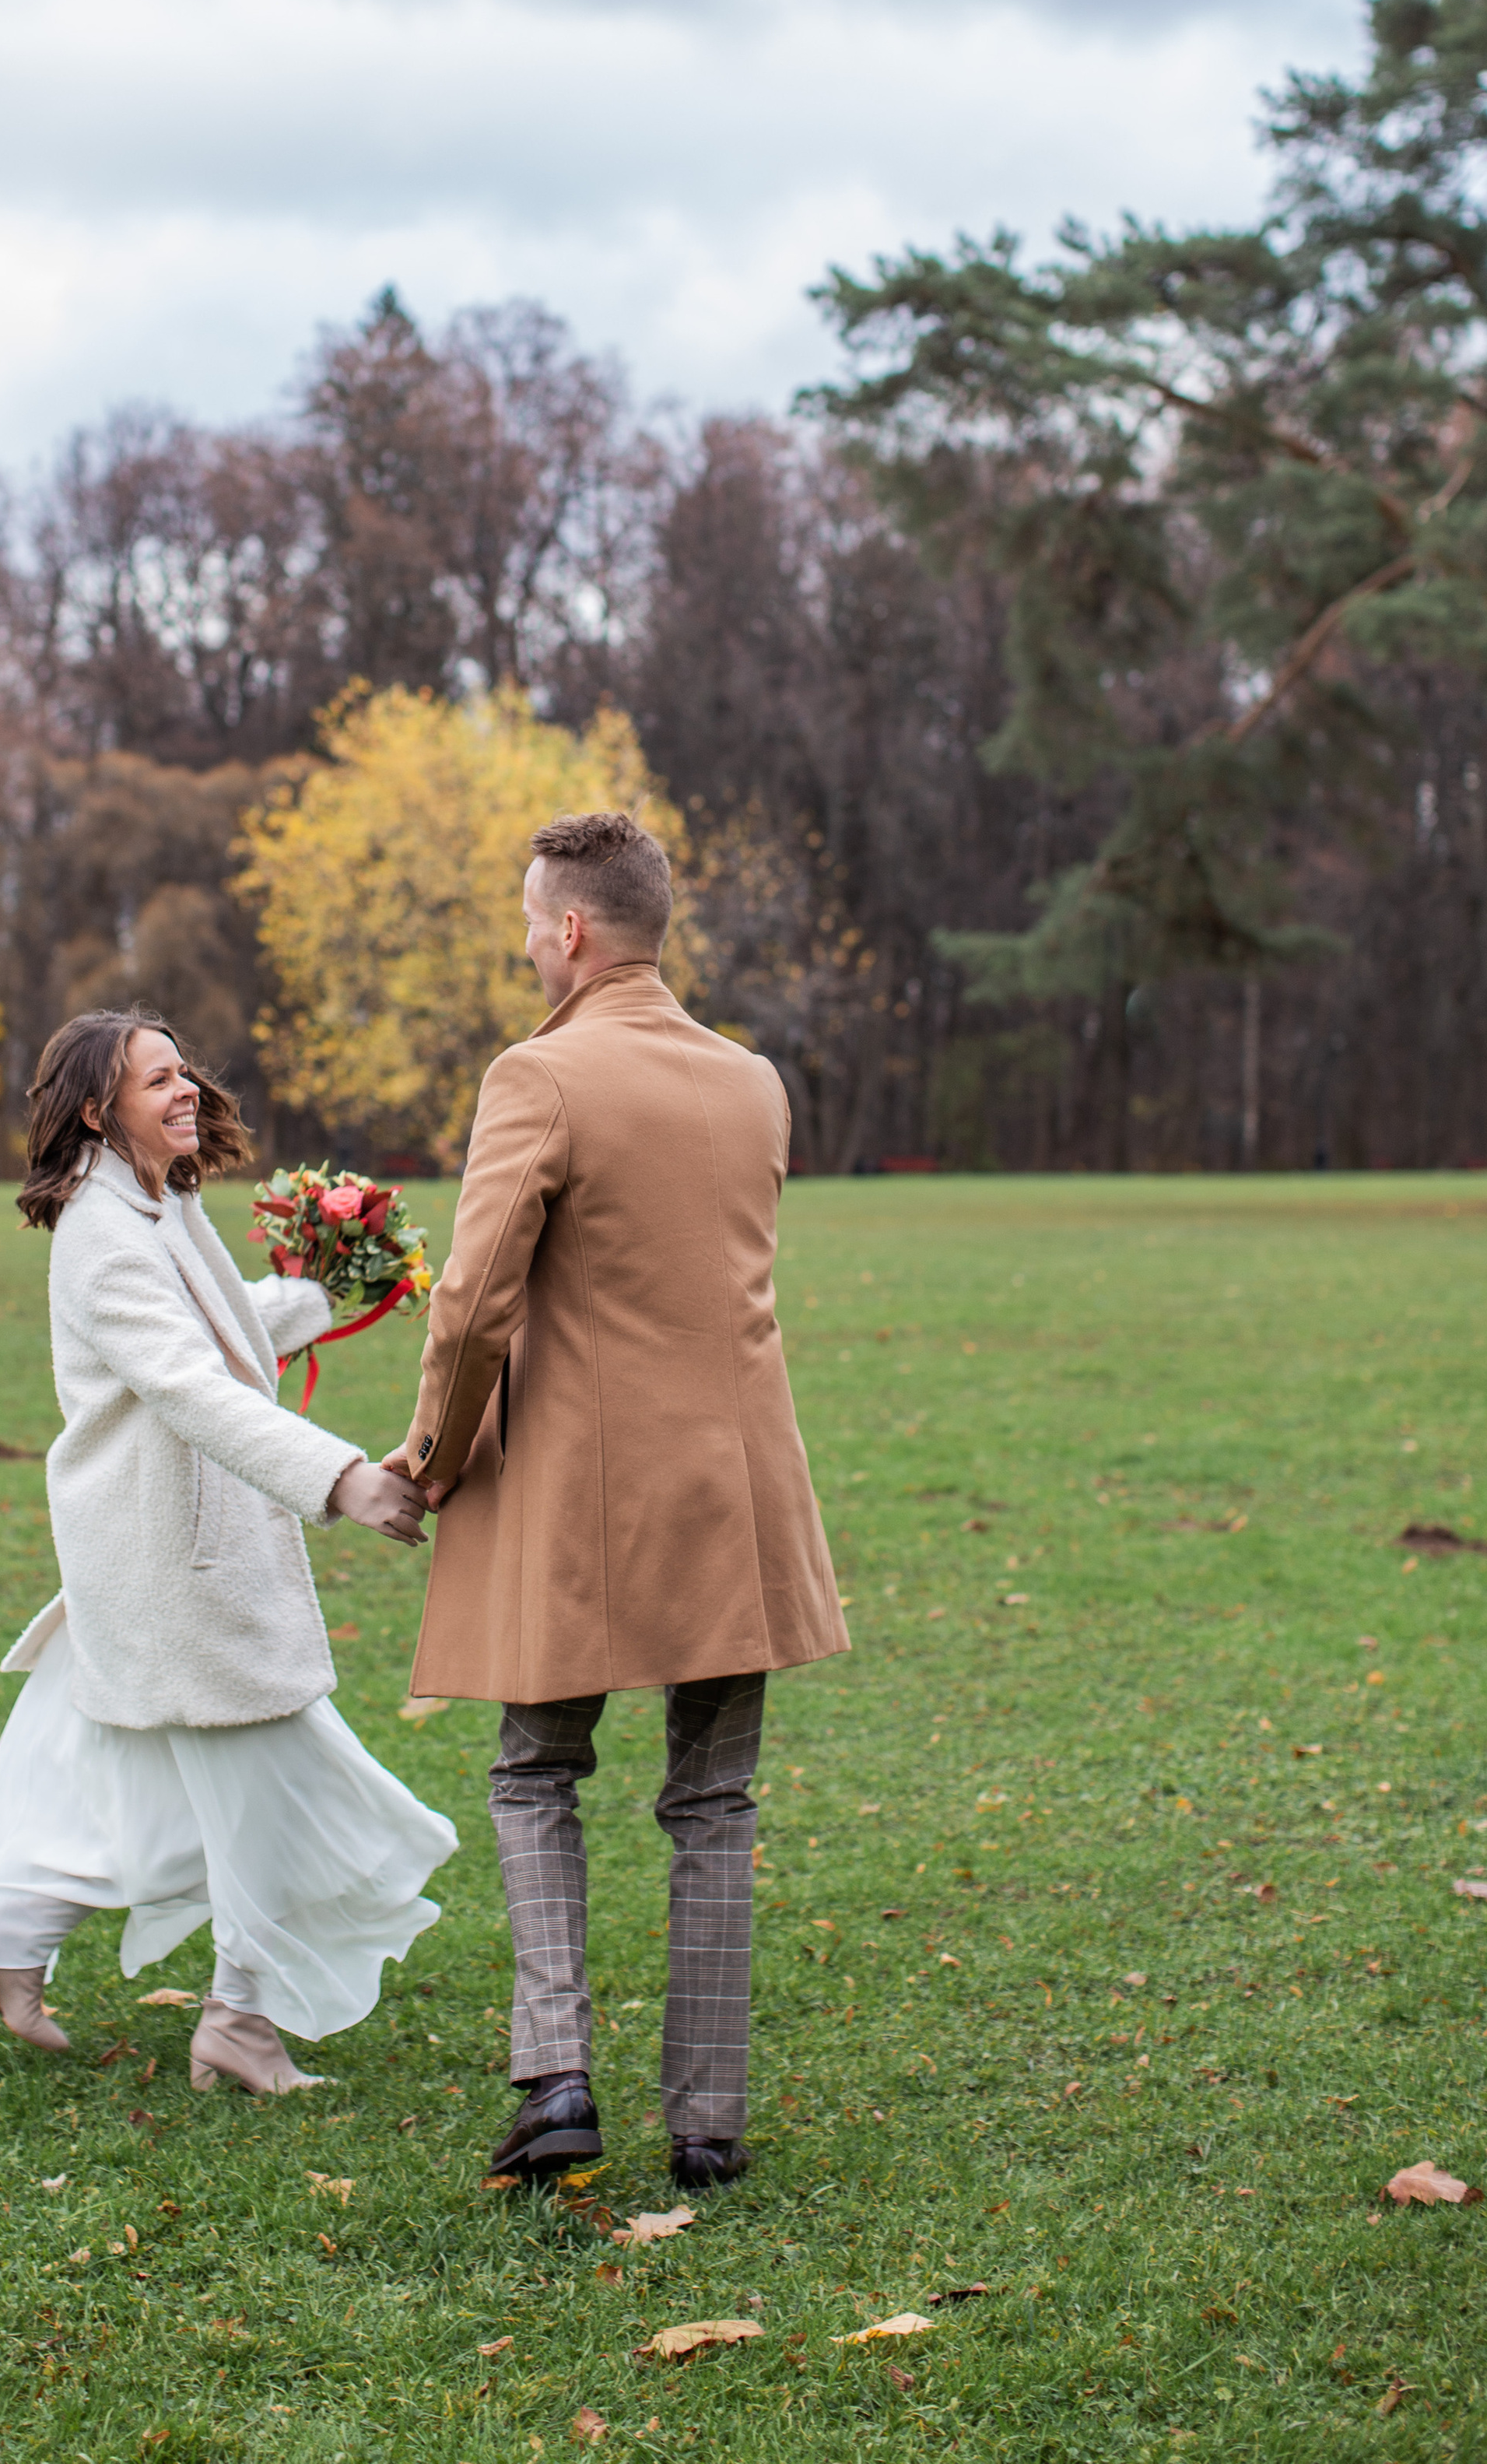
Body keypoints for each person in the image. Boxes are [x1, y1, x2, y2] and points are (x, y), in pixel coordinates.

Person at [381, 813, 845, 2191]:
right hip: (740, 1495)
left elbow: (473, 1305)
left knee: (536, 1773)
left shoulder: (541, 1078)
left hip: (585, 1506)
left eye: (532, 922)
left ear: (571, 929)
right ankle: (707, 2123)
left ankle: (557, 2075)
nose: (529, 943)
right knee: (714, 1801)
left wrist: (432, 1452)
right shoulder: (754, 1082)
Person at [0, 1007, 452, 2093]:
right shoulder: (102, 1238)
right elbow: (189, 1388)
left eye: (185, 1071)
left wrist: (327, 1286)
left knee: (147, 1793)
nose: (186, 1090)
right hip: (170, 1561)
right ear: (98, 1109)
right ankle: (239, 2019)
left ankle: (11, 1932)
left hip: (166, 1551)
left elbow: (221, 1327)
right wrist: (342, 1480)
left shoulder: (157, 1200)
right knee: (288, 1790)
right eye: (157, 1081)